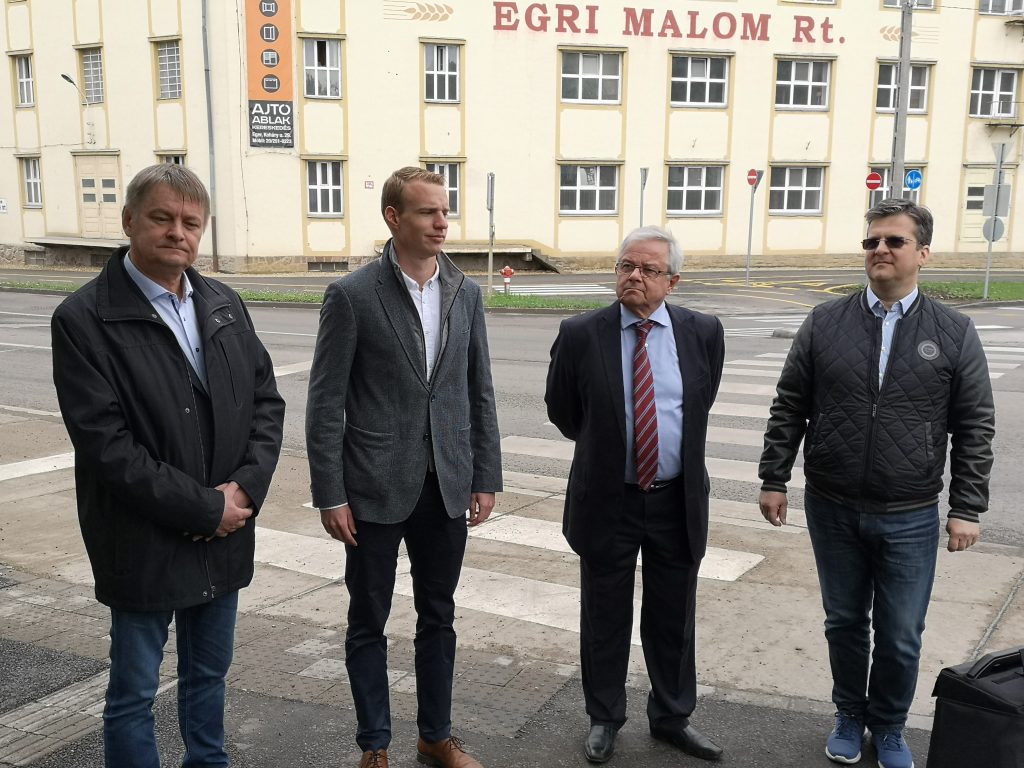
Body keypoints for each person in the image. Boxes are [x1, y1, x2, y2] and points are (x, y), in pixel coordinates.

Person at [50, 163, 286, 767]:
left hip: (225, 532)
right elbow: (107, 446)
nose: (178, 232)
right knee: (134, 693)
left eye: (191, 223)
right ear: (130, 220)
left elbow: (265, 402)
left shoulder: (223, 303)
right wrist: (206, 508)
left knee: (208, 677)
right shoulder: (83, 318)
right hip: (143, 539)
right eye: (162, 218)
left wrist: (245, 490)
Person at [758, 198, 995, 768]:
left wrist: (966, 506)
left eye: (893, 241)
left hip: (909, 512)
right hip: (833, 505)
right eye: (871, 241)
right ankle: (849, 713)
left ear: (923, 253)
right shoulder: (825, 322)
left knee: (900, 634)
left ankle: (888, 725)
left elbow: (974, 425)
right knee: (844, 623)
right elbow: (790, 405)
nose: (879, 250)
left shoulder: (954, 331)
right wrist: (774, 477)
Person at [305, 166, 502, 768]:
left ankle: (435, 736)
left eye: (445, 210)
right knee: (369, 618)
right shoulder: (353, 295)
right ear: (394, 217)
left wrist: (486, 475)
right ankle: (375, 745)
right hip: (373, 485)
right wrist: (330, 493)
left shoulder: (465, 292)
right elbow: (325, 402)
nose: (442, 222)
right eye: (427, 212)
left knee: (438, 616)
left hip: (447, 482)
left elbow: (479, 390)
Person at [545, 225, 726, 764]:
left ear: (673, 281)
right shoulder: (581, 333)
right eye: (627, 266)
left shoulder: (702, 332)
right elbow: (563, 411)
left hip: (676, 500)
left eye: (649, 270)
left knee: (673, 617)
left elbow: (700, 402)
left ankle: (672, 717)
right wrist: (609, 447)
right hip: (609, 498)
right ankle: (604, 717)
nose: (634, 277)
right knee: (604, 616)